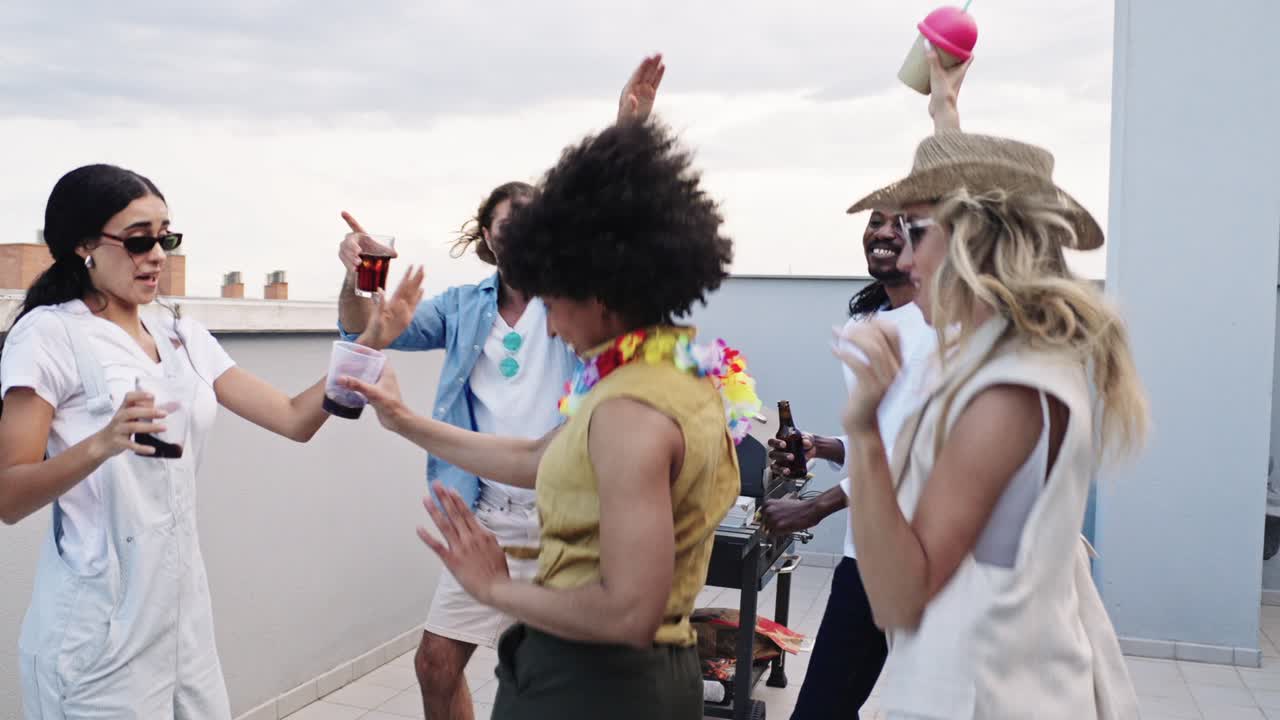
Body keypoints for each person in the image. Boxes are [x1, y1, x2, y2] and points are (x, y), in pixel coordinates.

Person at [340, 117, 760, 720]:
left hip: (595, 687)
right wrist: (404, 420)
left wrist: (496, 589)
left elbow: (628, 613)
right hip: (637, 679)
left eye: (554, 299)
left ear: (601, 290)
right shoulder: (675, 381)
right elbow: (538, 457)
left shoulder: (630, 413)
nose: (552, 323)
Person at [0, 164, 385, 718]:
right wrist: (103, 442)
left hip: (183, 622)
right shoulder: (49, 336)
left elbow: (293, 419)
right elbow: (9, 496)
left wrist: (367, 339)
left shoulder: (182, 334)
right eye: (139, 239)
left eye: (166, 237)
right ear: (83, 246)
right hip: (96, 632)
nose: (157, 254)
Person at [837, 130, 1147, 716]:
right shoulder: (1029, 359)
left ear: (973, 240)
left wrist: (864, 430)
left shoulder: (1004, 394)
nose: (904, 259)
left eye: (917, 234)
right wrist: (942, 109)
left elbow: (898, 598)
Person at [760, 49, 968, 720]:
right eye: (874, 222)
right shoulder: (871, 320)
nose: (883, 233)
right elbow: (885, 439)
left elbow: (920, 449)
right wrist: (821, 446)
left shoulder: (943, 326)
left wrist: (816, 507)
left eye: (901, 224)